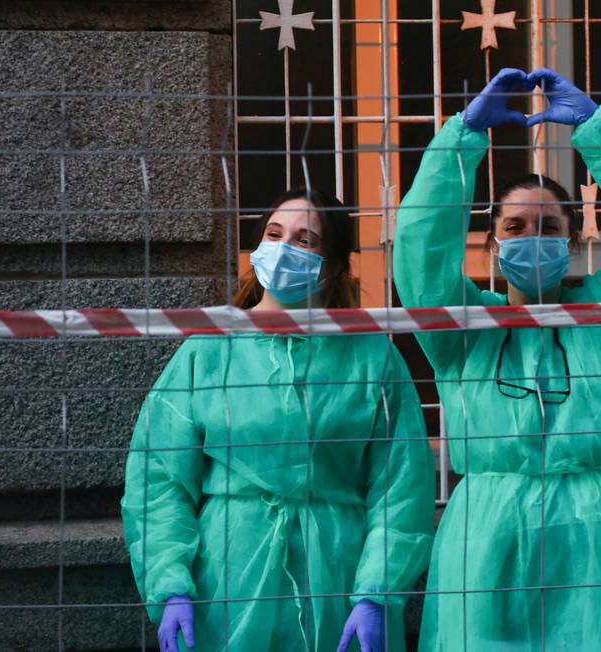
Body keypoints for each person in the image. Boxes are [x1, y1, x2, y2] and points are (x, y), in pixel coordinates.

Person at [394, 68, 601, 650]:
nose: (533, 237)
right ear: (492, 243)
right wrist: (460, 141)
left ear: (576, 239)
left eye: (549, 226)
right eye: (516, 226)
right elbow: (419, 247)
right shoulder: (462, 327)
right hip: (490, 541)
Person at [122, 188, 435, 652]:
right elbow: (159, 480)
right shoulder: (211, 347)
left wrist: (376, 591)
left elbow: (402, 490)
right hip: (225, 578)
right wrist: (170, 583)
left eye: (306, 240)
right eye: (275, 233)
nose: (286, 247)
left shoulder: (372, 357)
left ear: (332, 264)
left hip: (336, 579)